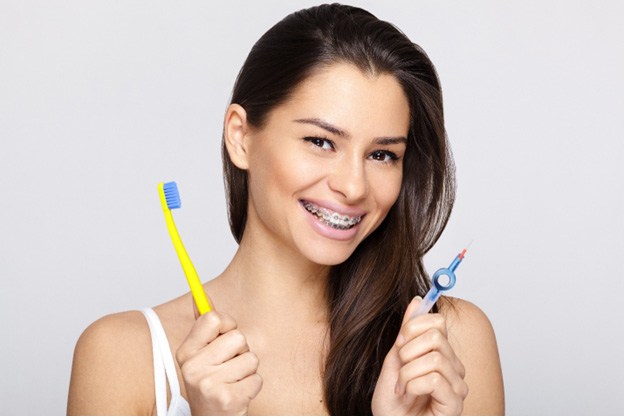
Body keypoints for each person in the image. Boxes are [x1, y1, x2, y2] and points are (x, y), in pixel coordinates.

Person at [67, 4, 504, 415]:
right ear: (240, 136)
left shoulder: (449, 345)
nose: (353, 187)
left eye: (382, 155)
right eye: (320, 142)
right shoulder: (123, 356)